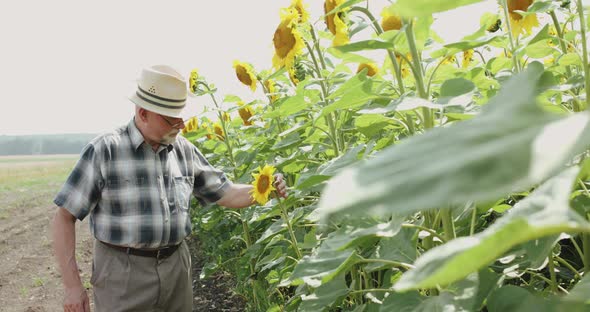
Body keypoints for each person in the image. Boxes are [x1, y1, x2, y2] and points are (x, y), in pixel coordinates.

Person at [51, 64, 288, 312]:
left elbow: (225, 192)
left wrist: (265, 187)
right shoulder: (105, 150)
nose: (181, 124)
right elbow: (63, 217)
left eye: (181, 114)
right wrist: (72, 287)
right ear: (143, 113)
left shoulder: (184, 150)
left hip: (176, 267)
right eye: (171, 118)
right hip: (123, 272)